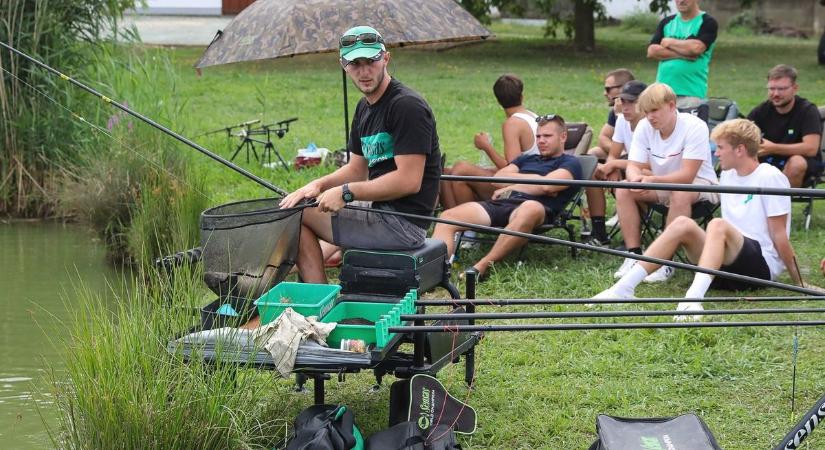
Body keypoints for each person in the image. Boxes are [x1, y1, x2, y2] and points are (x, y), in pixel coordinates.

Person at [594, 119, 802, 321]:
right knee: (681, 224)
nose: (716, 153)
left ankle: (693, 299)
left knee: (717, 224)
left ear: (739, 150)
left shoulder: (770, 177)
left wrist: (799, 282)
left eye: (720, 147)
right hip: (725, 266)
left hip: (760, 269)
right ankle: (623, 289)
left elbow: (779, 235)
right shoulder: (728, 175)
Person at [279, 25, 441, 284]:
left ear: (385, 58)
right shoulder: (364, 108)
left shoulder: (406, 106)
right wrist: (317, 185)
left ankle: (320, 305)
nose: (364, 72)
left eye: (371, 62)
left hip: (403, 224)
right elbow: (356, 170)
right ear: (343, 65)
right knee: (296, 205)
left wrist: (346, 193)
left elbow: (409, 181)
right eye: (355, 64)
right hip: (379, 211)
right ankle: (318, 297)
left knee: (295, 214)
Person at [432, 115, 582, 279]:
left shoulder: (570, 163)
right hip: (503, 203)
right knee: (447, 217)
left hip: (536, 210)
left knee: (530, 207)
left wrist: (513, 184)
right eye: (538, 136)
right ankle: (435, 274)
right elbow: (498, 179)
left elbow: (548, 186)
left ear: (563, 137)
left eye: (547, 136)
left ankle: (482, 266)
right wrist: (534, 184)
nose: (541, 141)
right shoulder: (526, 158)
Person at [612, 83, 719, 283]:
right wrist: (635, 179)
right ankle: (633, 255)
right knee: (624, 189)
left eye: (654, 110)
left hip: (701, 184)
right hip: (662, 184)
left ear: (671, 106)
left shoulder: (694, 126)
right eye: (646, 112)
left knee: (680, 192)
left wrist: (652, 179)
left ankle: (665, 262)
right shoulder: (644, 126)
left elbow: (687, 176)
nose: (650, 117)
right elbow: (633, 165)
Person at [439, 74, 539, 209]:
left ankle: (467, 223)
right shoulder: (533, 116)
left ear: (497, 100)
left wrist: (486, 146)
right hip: (530, 179)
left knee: (461, 169)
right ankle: (454, 221)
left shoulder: (513, 124)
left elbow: (511, 170)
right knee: (446, 173)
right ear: (522, 96)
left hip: (520, 189)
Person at [585, 80, 647, 246]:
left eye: (631, 102)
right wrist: (611, 166)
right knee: (593, 170)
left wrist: (615, 165)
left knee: (630, 176)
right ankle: (599, 233)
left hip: (649, 175)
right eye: (622, 101)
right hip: (630, 168)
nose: (625, 107)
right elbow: (613, 154)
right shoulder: (621, 120)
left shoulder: (650, 124)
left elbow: (648, 165)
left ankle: (637, 235)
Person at [746, 64, 823, 188]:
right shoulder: (762, 110)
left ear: (795, 88)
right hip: (769, 160)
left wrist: (773, 148)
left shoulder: (807, 110)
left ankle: (781, 204)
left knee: (797, 163)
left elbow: (811, 148)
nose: (775, 94)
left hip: (803, 163)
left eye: (781, 89)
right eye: (771, 89)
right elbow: (742, 134)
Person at [647, 0, 718, 107]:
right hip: (662, 93)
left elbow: (696, 48)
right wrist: (684, 54)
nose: (681, 1)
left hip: (691, 94)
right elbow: (652, 51)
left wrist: (670, 42)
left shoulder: (707, 22)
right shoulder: (667, 22)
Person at [587, 68, 636, 161]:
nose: (604, 93)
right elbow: (603, 137)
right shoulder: (615, 110)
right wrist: (621, 152)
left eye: (608, 89)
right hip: (625, 156)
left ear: (624, 88)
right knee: (594, 153)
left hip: (642, 162)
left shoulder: (642, 110)